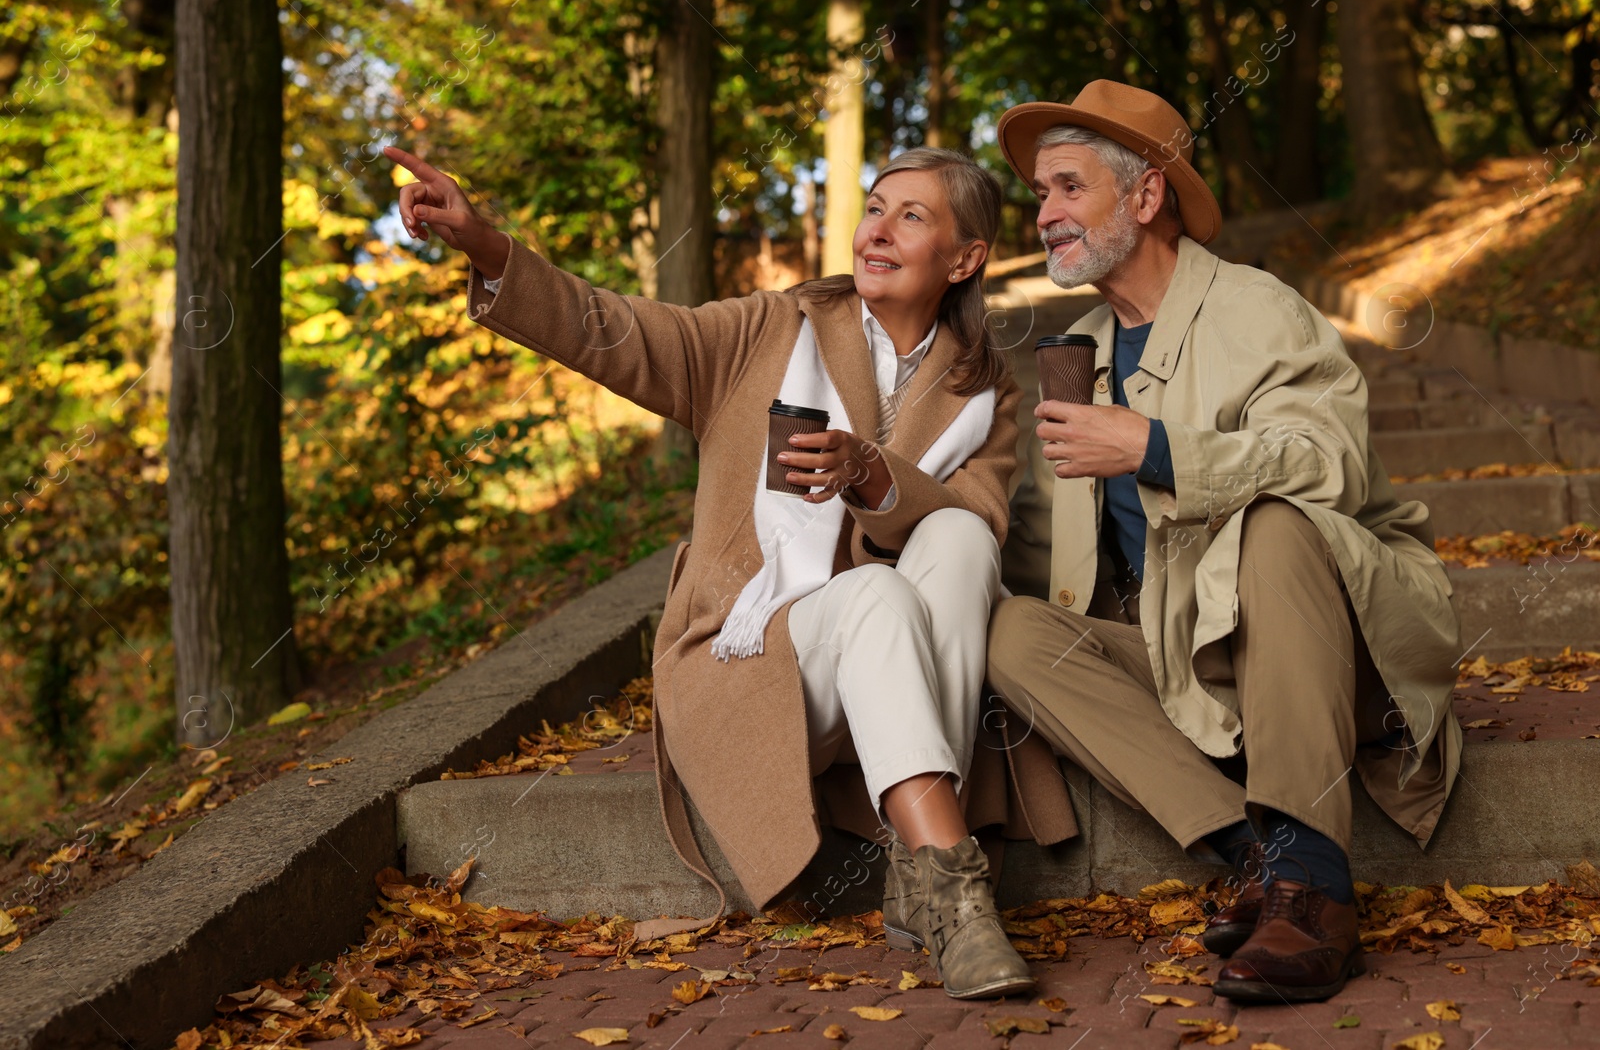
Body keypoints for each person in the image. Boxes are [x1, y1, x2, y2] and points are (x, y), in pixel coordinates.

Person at [384, 143, 1044, 999]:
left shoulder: (984, 391)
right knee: (877, 590)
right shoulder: (771, 332)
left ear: (966, 258)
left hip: (904, 679)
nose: (877, 230)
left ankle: (923, 875)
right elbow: (610, 328)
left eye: (911, 216)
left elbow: (982, 522)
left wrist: (873, 474)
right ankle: (956, 887)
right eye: (874, 207)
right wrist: (487, 246)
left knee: (961, 538)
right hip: (758, 661)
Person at [984, 81, 1464, 1003]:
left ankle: (1315, 888)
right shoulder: (1075, 349)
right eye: (1039, 194)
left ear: (1147, 196)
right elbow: (1028, 545)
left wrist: (1155, 447)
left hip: (1333, 647)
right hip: (1190, 661)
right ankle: (1253, 856)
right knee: (1013, 633)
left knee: (1278, 520)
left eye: (1068, 188)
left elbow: (1331, 462)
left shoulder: (1257, 308)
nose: (1043, 215)